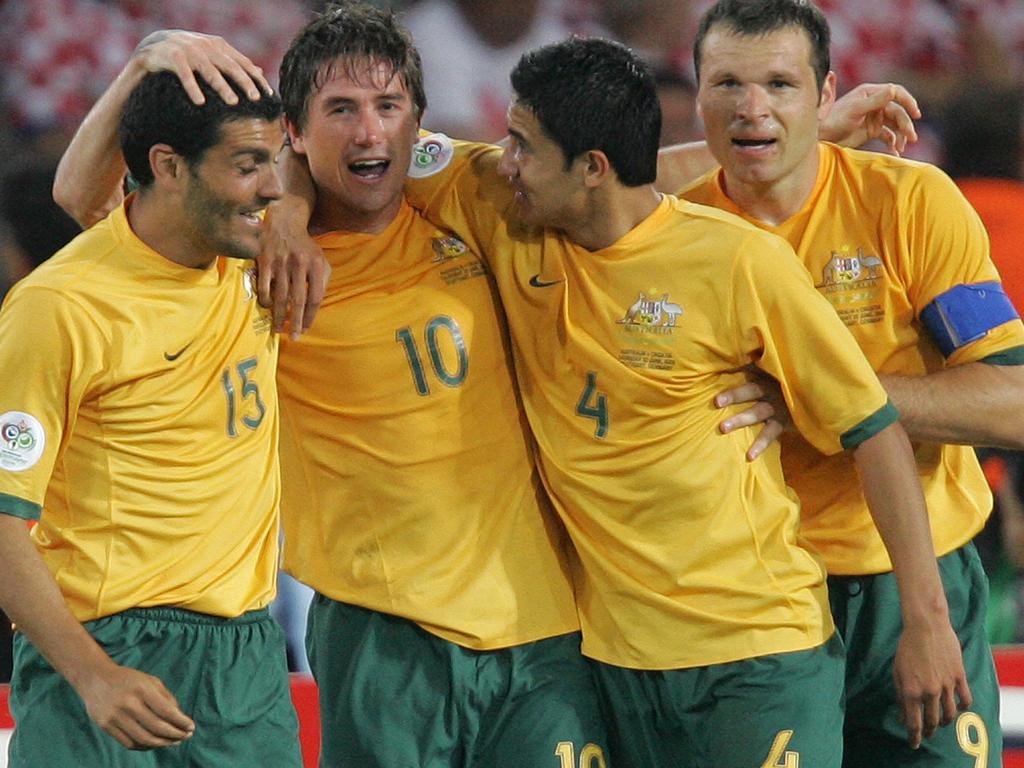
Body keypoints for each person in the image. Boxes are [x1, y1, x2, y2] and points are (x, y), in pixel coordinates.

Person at [54, 9, 610, 768]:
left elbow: (621, 195)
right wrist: (144, 66)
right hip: (381, 637)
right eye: (339, 110)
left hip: (541, 628)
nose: (368, 133)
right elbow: (82, 202)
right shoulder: (247, 263)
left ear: (418, 120)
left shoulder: (471, 209)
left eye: (387, 108)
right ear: (295, 131)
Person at [392, 35, 968, 767]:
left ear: (593, 169)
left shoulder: (736, 261)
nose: (503, 161)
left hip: (757, 658)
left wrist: (928, 623)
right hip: (616, 660)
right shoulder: (509, 214)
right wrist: (285, 213)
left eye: (522, 145)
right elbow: (352, 149)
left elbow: (874, 429)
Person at [678, 1, 1024, 766]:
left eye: (780, 83)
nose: (751, 108)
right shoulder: (669, 233)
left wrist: (818, 395)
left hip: (916, 586)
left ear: (827, 94)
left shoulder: (909, 203)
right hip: (754, 602)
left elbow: (1013, 406)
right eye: (727, 83)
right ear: (697, 98)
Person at [0, 68, 302, 767]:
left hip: (247, 666)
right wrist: (91, 674)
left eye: (275, 162)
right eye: (247, 165)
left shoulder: (254, 271)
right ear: (167, 166)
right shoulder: (62, 306)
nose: (273, 188)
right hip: (106, 652)